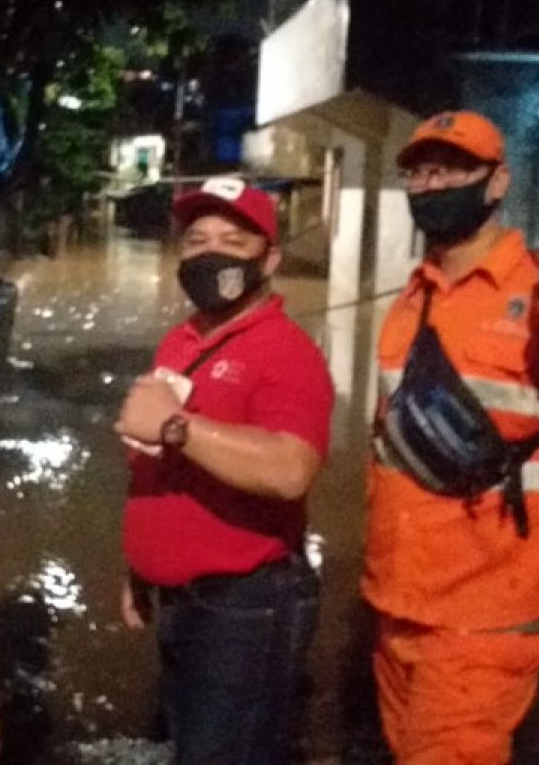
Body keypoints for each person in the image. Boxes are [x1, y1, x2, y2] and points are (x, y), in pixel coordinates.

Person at [363, 110, 539, 764]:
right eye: (421, 171)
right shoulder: (416, 294)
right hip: (400, 600)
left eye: (453, 168)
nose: (432, 185)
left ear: (498, 183)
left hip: (487, 609)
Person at [114, 178, 335, 764]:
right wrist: (140, 566)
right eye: (196, 241)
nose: (210, 254)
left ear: (271, 259)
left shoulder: (287, 353)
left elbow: (292, 469)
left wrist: (177, 426)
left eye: (233, 241)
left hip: (245, 607)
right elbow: (156, 467)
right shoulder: (180, 341)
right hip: (182, 601)